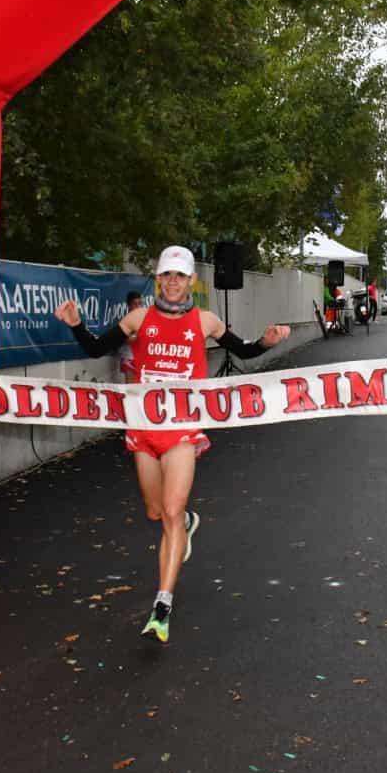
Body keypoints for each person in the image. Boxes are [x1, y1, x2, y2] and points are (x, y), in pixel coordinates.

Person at [55, 246, 290, 643]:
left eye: (180, 276)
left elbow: (245, 351)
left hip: (182, 428)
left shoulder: (206, 321)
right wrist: (77, 325)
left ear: (191, 281)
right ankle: (185, 524)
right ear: (158, 279)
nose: (174, 282)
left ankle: (161, 606)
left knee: (171, 509)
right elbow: (95, 348)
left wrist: (265, 342)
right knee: (155, 511)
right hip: (145, 429)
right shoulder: (138, 318)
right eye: (167, 275)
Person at [118, 290, 143, 383]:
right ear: (129, 305)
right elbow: (126, 339)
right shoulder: (126, 320)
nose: (138, 306)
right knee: (130, 388)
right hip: (129, 358)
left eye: (140, 303)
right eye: (135, 304)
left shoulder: (144, 318)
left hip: (141, 358)